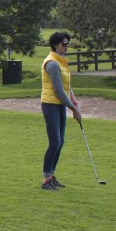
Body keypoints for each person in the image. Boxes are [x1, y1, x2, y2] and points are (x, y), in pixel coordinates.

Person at [40, 32, 82, 190]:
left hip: (59, 105)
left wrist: (74, 100)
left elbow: (66, 85)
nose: (67, 46)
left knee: (60, 142)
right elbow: (58, 91)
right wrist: (74, 110)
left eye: (67, 43)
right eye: (64, 44)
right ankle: (45, 180)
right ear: (55, 45)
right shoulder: (52, 64)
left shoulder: (62, 61)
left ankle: (51, 176)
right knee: (55, 142)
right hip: (50, 105)